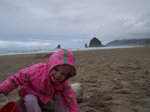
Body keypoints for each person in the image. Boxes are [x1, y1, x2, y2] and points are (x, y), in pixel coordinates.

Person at [0, 49, 79, 112]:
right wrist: (2, 89)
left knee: (61, 99)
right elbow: (17, 78)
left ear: (68, 75)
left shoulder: (64, 82)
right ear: (50, 65)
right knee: (31, 100)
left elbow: (70, 97)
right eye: (56, 69)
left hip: (48, 96)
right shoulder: (36, 72)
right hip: (31, 92)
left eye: (63, 74)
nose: (58, 76)